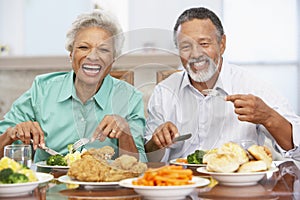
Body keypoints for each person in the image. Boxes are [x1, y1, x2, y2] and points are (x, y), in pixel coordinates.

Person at [144, 7, 300, 162]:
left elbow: (296, 149)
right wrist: (156, 142)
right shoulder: (163, 92)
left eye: (204, 43)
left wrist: (268, 117)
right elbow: (149, 159)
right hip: (181, 181)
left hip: (239, 182)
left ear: (222, 44)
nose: (196, 54)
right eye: (186, 47)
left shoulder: (252, 85)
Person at [0, 9, 147, 162]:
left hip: (104, 184)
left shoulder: (130, 97)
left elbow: (140, 165)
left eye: (103, 50)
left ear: (114, 59)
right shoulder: (42, 89)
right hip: (49, 183)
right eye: (84, 47)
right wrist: (12, 133)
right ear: (71, 54)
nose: (92, 56)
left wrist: (125, 134)